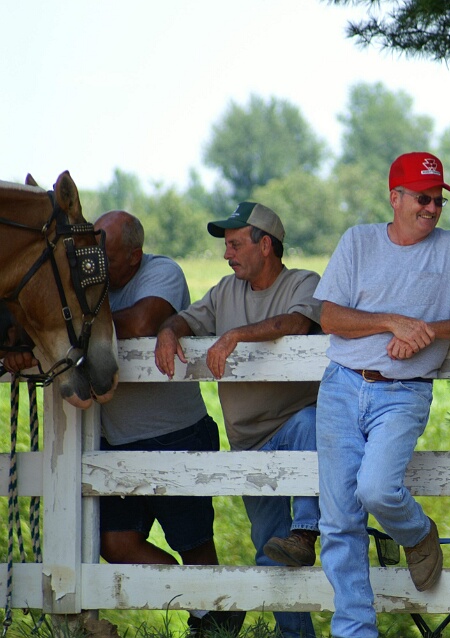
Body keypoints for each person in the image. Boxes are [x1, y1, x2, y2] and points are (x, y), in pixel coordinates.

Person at [312, 151, 450, 638]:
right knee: (338, 522)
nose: (432, 208)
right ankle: (355, 631)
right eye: (422, 198)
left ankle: (418, 533)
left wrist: (430, 331)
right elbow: (328, 316)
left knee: (376, 489)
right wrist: (392, 322)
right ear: (394, 198)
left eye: (438, 200)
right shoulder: (358, 240)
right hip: (342, 386)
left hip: (404, 393)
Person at [154, 202, 321, 638]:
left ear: (265, 245)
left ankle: (306, 531)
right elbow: (186, 319)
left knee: (309, 421)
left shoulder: (303, 281)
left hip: (295, 428)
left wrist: (233, 336)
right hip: (249, 441)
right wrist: (169, 331)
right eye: (226, 246)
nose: (227, 254)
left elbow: (297, 323)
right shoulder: (225, 291)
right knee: (269, 548)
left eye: (235, 244)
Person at [92, 211, 244, 635]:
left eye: (106, 254)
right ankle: (211, 610)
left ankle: (214, 619)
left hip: (176, 434)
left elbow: (143, 323)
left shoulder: (163, 272)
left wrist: (78, 325)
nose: (96, 261)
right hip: (115, 440)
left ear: (134, 254)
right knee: (114, 544)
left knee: (193, 545)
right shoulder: (91, 281)